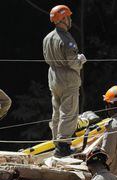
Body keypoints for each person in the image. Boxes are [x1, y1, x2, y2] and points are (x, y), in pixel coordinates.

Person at [43, 5, 87, 157]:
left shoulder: (47, 38)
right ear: (63, 19)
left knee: (57, 112)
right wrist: (81, 60)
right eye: (68, 17)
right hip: (67, 79)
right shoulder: (67, 39)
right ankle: (63, 147)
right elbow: (73, 62)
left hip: (53, 77)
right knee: (68, 113)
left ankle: (57, 143)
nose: (70, 20)